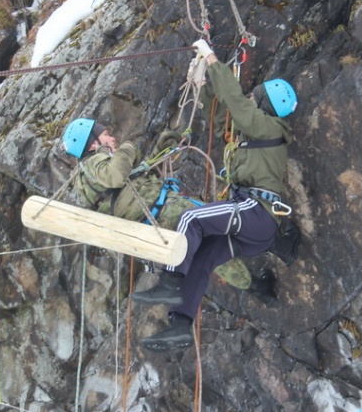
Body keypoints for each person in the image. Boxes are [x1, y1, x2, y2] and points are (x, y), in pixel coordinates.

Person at [129, 38, 297, 350]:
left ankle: (170, 281)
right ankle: (180, 325)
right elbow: (222, 120)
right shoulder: (252, 133)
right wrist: (202, 85)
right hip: (252, 226)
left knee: (191, 219)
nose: (249, 97)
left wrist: (211, 60)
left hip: (256, 212)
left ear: (264, 104)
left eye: (255, 96)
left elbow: (235, 100)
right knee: (204, 257)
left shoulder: (269, 127)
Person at [61, 117, 277, 307]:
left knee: (210, 250)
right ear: (93, 144)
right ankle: (278, 245)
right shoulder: (94, 162)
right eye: (106, 135)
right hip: (166, 212)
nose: (112, 138)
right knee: (223, 223)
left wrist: (159, 151)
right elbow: (118, 175)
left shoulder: (88, 180)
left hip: (156, 222)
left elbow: (130, 182)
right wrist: (128, 147)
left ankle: (259, 289)